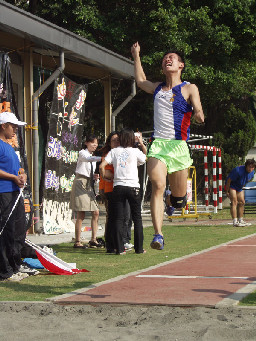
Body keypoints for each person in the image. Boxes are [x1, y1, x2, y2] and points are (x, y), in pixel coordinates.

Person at [131, 42, 204, 250]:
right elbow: (140, 80)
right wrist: (136, 55)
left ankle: (172, 201)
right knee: (157, 185)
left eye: (172, 57)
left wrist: (198, 114)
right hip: (158, 146)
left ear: (181, 65)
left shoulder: (189, 88)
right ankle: (158, 235)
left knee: (181, 198)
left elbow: (198, 110)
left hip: (178, 146)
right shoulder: (157, 89)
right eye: (165, 58)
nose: (167, 59)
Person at [99, 128, 147, 255]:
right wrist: (141, 143)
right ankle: (139, 248)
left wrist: (104, 176)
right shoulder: (135, 151)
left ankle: (119, 249)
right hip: (133, 186)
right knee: (137, 218)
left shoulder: (114, 151)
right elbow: (145, 157)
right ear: (132, 138)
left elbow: (101, 165)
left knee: (118, 219)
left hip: (118, 186)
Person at [0, 112, 30, 281]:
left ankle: (15, 265)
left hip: (14, 193)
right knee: (6, 231)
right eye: (13, 126)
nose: (15, 130)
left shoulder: (9, 146)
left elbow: (18, 169)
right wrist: (12, 177)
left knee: (18, 230)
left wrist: (22, 175)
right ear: (3, 125)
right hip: (3, 193)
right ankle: (5, 270)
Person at [70, 134, 102, 248]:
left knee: (96, 212)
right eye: (93, 143)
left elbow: (91, 166)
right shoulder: (83, 153)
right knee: (81, 213)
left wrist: (94, 177)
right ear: (86, 143)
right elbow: (88, 159)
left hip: (89, 183)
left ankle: (93, 239)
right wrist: (103, 158)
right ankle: (77, 241)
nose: (95, 145)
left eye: (96, 143)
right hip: (80, 182)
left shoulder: (93, 157)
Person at [225, 159, 256, 227]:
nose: (251, 169)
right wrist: (227, 191)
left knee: (242, 202)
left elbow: (245, 181)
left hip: (239, 187)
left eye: (252, 167)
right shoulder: (238, 170)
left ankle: (240, 220)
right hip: (232, 186)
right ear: (246, 166)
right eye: (249, 167)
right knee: (234, 202)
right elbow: (229, 181)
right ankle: (235, 221)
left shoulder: (252, 173)